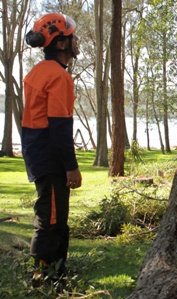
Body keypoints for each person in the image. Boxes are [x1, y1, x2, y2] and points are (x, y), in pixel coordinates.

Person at [22, 13, 82, 283]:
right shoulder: (58, 77)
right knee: (53, 220)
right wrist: (71, 167)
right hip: (50, 155)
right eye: (71, 38)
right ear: (60, 44)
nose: (76, 42)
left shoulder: (37, 72)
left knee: (49, 213)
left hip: (38, 153)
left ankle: (50, 274)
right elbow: (59, 127)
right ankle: (47, 277)